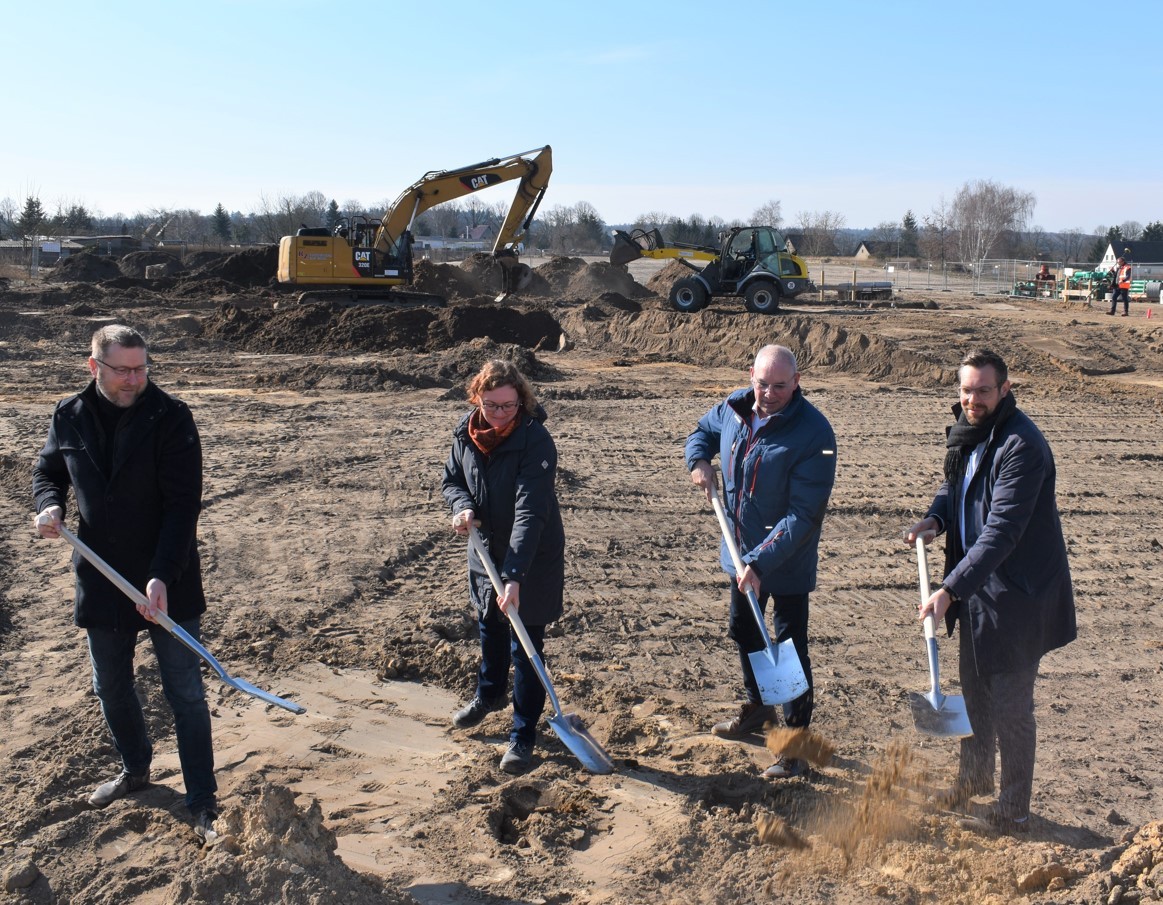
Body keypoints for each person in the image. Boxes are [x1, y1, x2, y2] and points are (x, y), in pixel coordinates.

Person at [32, 325, 218, 841]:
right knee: (109, 685)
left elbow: (183, 509)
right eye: (123, 370)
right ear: (95, 367)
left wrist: (161, 575)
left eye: (141, 368)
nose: (134, 379)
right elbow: (47, 470)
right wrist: (48, 504)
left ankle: (202, 798)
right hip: (101, 576)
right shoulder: (69, 415)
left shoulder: (172, 418)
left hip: (168, 580)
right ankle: (136, 769)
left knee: (185, 692)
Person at [906, 349, 1076, 835]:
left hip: (1018, 596)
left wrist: (950, 590)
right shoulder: (970, 432)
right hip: (979, 588)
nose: (972, 399)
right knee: (976, 693)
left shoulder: (1022, 445)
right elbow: (955, 486)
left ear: (1004, 389)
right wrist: (936, 518)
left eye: (982, 390)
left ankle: (1014, 808)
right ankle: (973, 780)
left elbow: (1002, 530)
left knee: (1010, 708)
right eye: (965, 390)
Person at [686, 345, 837, 779]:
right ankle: (757, 707)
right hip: (739, 552)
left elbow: (803, 515)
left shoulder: (813, 434)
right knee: (745, 631)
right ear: (750, 374)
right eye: (762, 383)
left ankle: (794, 746)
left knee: (788, 650)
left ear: (797, 381)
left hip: (785, 559)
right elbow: (701, 430)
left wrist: (759, 561)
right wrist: (698, 460)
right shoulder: (734, 407)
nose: (768, 394)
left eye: (780, 386)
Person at [442, 359, 566, 775]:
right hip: (484, 550)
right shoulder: (466, 432)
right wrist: (462, 509)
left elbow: (530, 511)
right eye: (491, 405)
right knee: (489, 626)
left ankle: (523, 733)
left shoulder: (535, 441)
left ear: (521, 400)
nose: (498, 415)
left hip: (530, 556)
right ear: (477, 398)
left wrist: (514, 576)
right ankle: (489, 694)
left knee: (526, 644)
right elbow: (452, 480)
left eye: (508, 406)